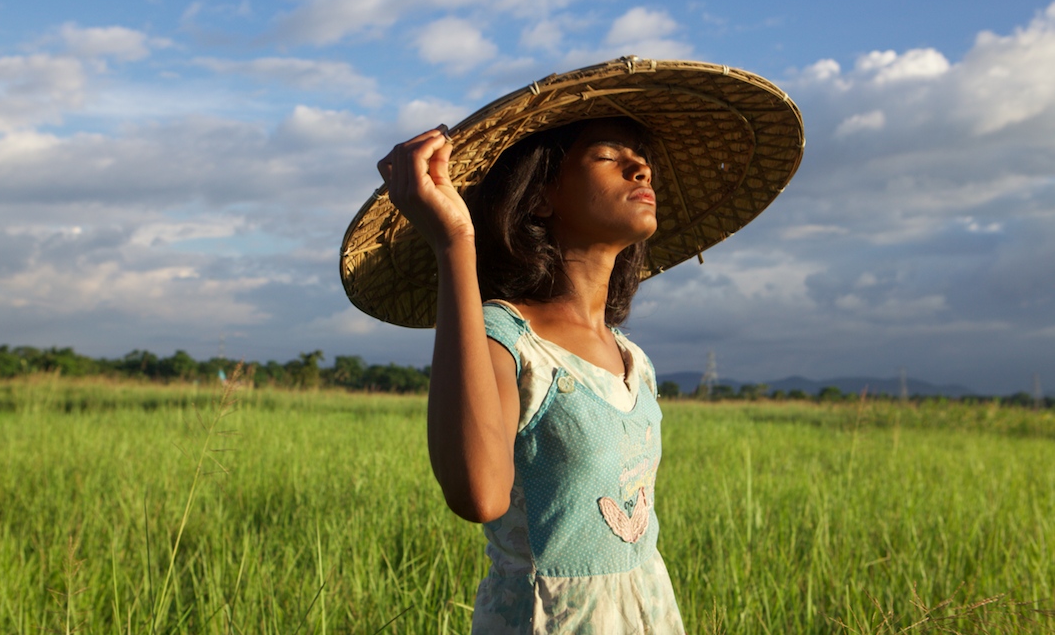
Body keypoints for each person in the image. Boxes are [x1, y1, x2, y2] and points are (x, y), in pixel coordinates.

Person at [342, 58, 804, 633]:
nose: (641, 168)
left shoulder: (634, 361)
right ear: (540, 197)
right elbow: (480, 496)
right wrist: (455, 242)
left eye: (645, 161)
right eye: (610, 156)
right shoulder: (506, 340)